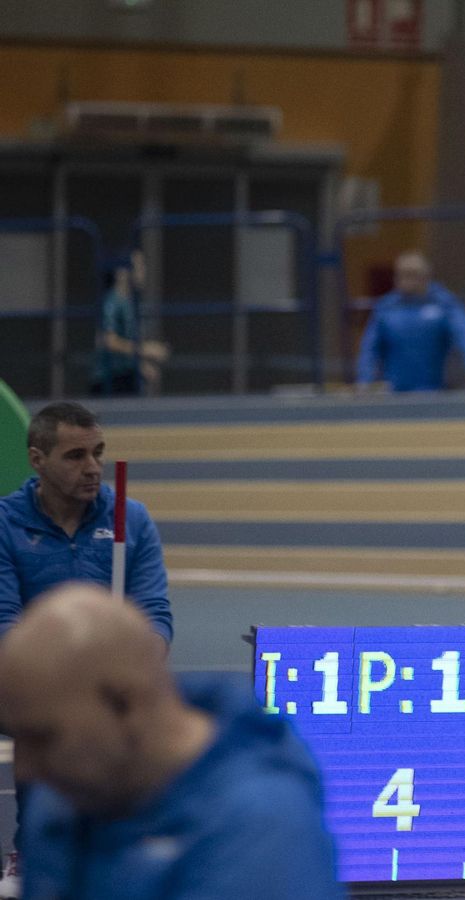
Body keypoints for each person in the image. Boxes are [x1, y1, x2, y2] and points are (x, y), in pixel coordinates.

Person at [0, 585, 343, 899]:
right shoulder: (61, 797)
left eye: (43, 737)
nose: (27, 769)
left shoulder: (267, 830)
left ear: (126, 704)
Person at [0, 401, 171, 890]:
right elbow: (5, 622)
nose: (93, 467)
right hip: (23, 679)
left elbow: (155, 616)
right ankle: (30, 852)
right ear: (37, 460)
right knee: (60, 720)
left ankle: (120, 846)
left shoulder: (130, 519)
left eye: (98, 453)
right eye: (75, 456)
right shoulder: (4, 524)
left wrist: (138, 672)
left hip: (111, 681)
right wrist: (65, 682)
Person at [355, 251, 465, 394]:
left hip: (435, 392)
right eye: (401, 274)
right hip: (395, 392)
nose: (405, 280)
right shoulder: (386, 307)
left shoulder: (445, 304)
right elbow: (370, 348)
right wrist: (364, 381)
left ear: (425, 277)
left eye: (411, 274)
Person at [93, 250, 169, 397]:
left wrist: (139, 365)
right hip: (109, 381)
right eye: (138, 266)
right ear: (122, 272)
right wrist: (145, 349)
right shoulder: (112, 302)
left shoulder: (130, 303)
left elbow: (125, 345)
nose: (142, 271)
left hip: (126, 377)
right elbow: (109, 341)